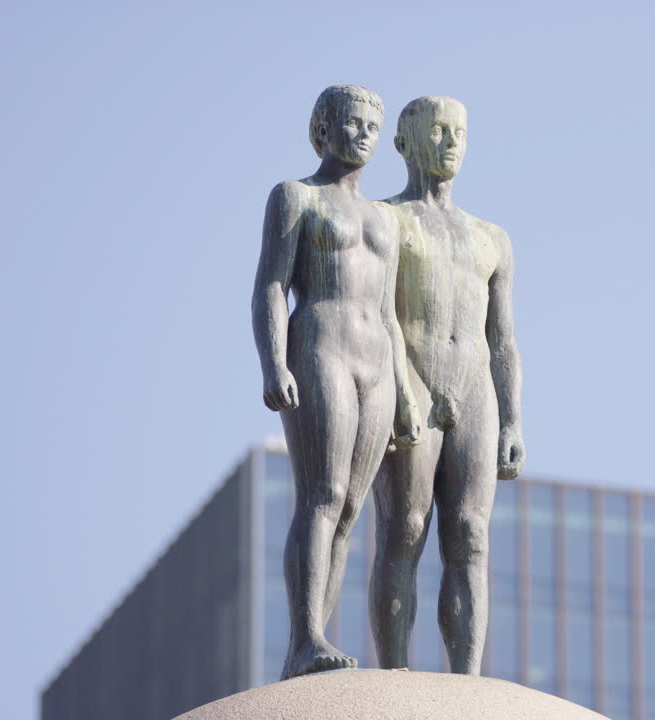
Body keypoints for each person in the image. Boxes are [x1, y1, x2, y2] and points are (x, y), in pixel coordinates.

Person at [251, 85, 421, 680]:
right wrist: (274, 363)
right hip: (319, 342)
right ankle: (305, 637)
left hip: (377, 358)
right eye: (352, 123)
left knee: (350, 508)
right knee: (321, 494)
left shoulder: (385, 219)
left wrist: (404, 391)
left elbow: (391, 314)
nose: (364, 135)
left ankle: (313, 639)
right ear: (322, 130)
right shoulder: (295, 196)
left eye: (373, 126)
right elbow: (271, 285)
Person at [370, 96, 524, 675]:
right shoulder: (387, 220)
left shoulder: (492, 238)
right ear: (406, 141)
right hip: (412, 379)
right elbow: (377, 316)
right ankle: (396, 674)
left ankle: (467, 680)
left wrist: (513, 419)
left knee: (470, 535)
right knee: (405, 530)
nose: (452, 141)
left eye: (459, 131)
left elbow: (504, 338)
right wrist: (397, 394)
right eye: (438, 130)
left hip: (476, 393)